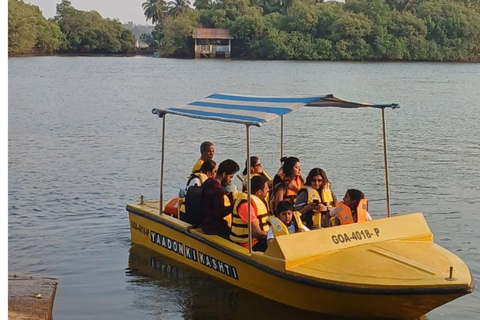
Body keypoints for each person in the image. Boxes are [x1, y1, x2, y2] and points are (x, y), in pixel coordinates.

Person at [199, 159, 240, 239]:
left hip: (203, 223)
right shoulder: (218, 190)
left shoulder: (207, 183)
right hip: (213, 227)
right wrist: (233, 206)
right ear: (224, 174)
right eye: (230, 177)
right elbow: (219, 213)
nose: (230, 181)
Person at [230, 175, 270, 252]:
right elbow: (257, 233)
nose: (268, 190)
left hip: (260, 239)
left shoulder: (257, 200)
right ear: (259, 192)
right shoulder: (246, 205)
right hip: (250, 244)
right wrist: (273, 236)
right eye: (266, 188)